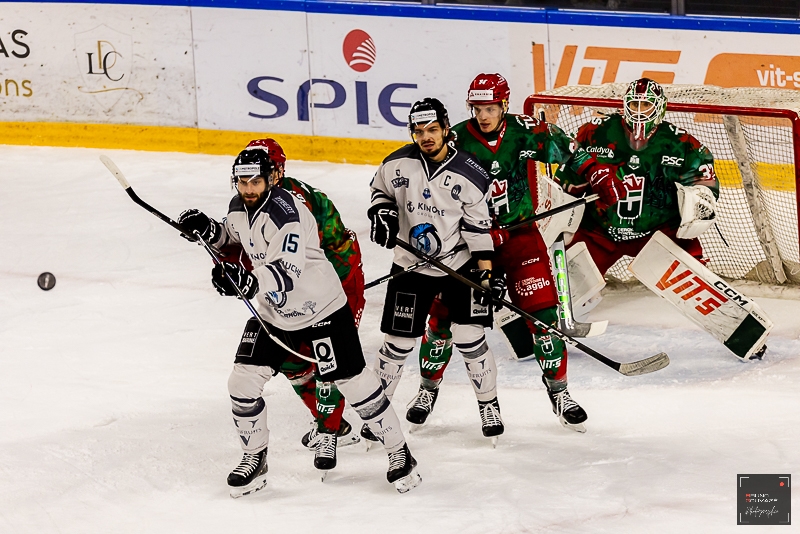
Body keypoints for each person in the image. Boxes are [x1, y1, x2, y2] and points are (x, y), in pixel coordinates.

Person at [178, 144, 421, 497]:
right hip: (276, 315)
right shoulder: (239, 206)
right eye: (241, 182)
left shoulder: (288, 212)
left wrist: (248, 281)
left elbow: (285, 269)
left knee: (354, 383)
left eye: (255, 182)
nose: (247, 189)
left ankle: (399, 451)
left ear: (271, 179)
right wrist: (208, 230)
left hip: (321, 310)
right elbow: (234, 237)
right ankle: (254, 457)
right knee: (241, 383)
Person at [411, 74, 605, 433]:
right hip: (466, 242)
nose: (482, 116)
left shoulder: (528, 131)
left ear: (504, 105)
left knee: (545, 324)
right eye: (476, 109)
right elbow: (418, 176)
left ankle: (560, 394)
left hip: (519, 238)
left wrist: (599, 175)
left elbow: (573, 155)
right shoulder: (454, 138)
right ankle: (427, 390)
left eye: (489, 108)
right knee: (440, 324)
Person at [555, 78, 763, 357]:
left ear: (660, 108)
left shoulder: (680, 144)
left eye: (646, 104)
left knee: (699, 283)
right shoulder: (595, 134)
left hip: (659, 233)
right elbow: (565, 179)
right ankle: (536, 331)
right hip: (600, 231)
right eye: (635, 104)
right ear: (624, 106)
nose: (640, 111)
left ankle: (741, 329)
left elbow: (707, 184)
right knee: (559, 286)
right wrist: (575, 185)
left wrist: (698, 200)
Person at [218, 139, 365, 473]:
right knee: (287, 360)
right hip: (287, 295)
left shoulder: (299, 202)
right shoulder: (253, 202)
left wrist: (330, 292)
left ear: (278, 171)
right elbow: (250, 249)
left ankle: (330, 432)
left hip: (333, 288)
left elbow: (320, 254)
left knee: (329, 362)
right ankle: (331, 420)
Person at [366, 97, 507, 443]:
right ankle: (375, 414)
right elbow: (379, 192)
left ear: (446, 128)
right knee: (397, 343)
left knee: (469, 336)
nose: (426, 136)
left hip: (459, 263)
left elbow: (478, 230)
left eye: (432, 129)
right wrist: (380, 212)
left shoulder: (471, 173)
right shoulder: (395, 164)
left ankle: (489, 405)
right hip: (410, 265)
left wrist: (486, 274)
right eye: (419, 131)